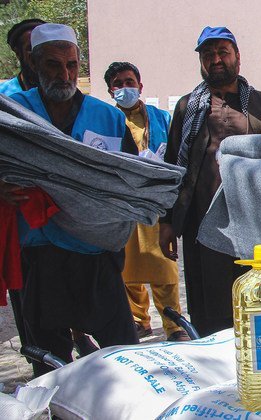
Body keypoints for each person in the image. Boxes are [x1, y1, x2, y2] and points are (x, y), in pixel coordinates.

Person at [8, 23, 139, 376]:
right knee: (50, 365)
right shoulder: (12, 114)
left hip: (96, 252)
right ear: (33, 64)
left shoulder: (108, 117)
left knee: (123, 357)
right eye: (52, 65)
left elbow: (130, 181)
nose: (63, 74)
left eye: (71, 65)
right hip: (40, 254)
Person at [159, 26, 261, 336]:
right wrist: (167, 222)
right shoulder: (187, 107)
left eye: (222, 52)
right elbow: (173, 165)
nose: (215, 59)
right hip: (204, 227)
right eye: (208, 54)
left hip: (257, 224)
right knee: (212, 311)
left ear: (237, 58)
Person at [104, 61, 189, 341]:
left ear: (140, 86)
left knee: (163, 266)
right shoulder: (108, 120)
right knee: (128, 266)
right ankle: (138, 320)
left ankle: (174, 323)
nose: (125, 88)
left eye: (130, 82)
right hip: (124, 203)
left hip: (155, 203)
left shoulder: (161, 118)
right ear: (110, 90)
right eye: (119, 84)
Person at [0, 18, 45, 96]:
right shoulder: (3, 95)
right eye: (31, 48)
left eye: (44, 47)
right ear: (18, 53)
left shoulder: (66, 92)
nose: (40, 54)